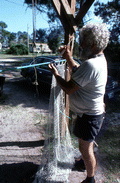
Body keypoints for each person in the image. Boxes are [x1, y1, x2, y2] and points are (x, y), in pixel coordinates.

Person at [48, 23, 110, 183]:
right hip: (90, 114)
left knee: (85, 147)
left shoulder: (91, 64)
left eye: (84, 41)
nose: (81, 45)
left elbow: (68, 88)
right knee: (85, 144)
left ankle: (90, 179)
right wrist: (68, 57)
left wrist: (56, 74)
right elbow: (79, 72)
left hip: (90, 116)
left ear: (94, 44)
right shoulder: (98, 60)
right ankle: (84, 163)